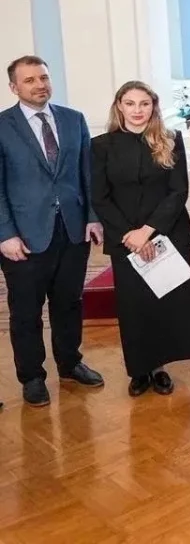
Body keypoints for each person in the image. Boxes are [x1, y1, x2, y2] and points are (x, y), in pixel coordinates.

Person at [0, 56, 105, 408]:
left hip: (72, 231)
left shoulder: (73, 120)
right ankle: (32, 376)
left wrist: (92, 217)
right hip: (24, 237)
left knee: (69, 303)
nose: (39, 85)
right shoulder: (3, 126)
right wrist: (4, 234)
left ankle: (70, 363)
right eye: (29, 80)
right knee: (26, 311)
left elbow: (87, 174)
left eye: (43, 77)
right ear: (14, 87)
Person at [91, 81, 190, 396]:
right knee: (135, 306)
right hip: (124, 238)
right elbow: (100, 197)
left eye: (144, 103)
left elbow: (178, 191)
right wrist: (131, 235)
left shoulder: (170, 138)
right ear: (119, 106)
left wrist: (148, 230)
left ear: (153, 106)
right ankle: (139, 369)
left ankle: (160, 367)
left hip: (166, 234)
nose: (137, 110)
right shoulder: (101, 145)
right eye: (130, 103)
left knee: (165, 303)